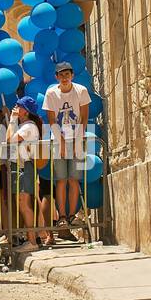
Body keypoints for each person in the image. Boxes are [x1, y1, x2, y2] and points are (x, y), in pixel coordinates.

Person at [43, 61, 91, 239]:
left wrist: (78, 138)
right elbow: (51, 119)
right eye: (61, 75)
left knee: (74, 179)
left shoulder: (80, 91)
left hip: (77, 138)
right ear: (56, 77)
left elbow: (84, 116)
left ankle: (72, 215)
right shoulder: (51, 93)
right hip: (59, 139)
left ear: (72, 75)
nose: (64, 77)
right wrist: (62, 142)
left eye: (67, 74)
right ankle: (62, 216)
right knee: (61, 179)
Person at [7, 96, 48, 248]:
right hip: (21, 166)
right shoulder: (25, 126)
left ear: (26, 111)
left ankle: (32, 241)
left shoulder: (29, 126)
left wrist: (12, 120)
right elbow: (9, 139)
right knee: (23, 203)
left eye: (19, 106)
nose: (16, 107)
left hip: (25, 167)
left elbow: (10, 139)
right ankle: (32, 238)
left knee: (25, 203)